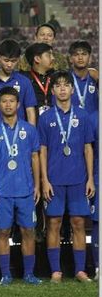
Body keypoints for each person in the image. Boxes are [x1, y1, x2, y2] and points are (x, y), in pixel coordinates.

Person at [38, 71, 95, 283]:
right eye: (58, 86)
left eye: (66, 85)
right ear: (52, 91)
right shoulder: (45, 117)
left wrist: (90, 178)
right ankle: (56, 271)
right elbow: (42, 151)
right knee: (54, 223)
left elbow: (88, 149)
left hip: (79, 178)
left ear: (72, 90)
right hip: (54, 180)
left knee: (79, 222)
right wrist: (44, 180)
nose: (62, 89)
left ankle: (80, 270)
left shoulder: (83, 116)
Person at [0, 86, 43, 285]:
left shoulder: (29, 129)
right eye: (4, 101)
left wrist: (37, 185)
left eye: (12, 101)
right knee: (3, 232)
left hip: (26, 190)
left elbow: (35, 157)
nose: (8, 104)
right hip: (2, 191)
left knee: (29, 231)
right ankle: (5, 275)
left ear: (18, 104)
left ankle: (28, 273)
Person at [0, 39, 37, 126]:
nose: (9, 65)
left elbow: (30, 111)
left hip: (19, 134)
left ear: (18, 60)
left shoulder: (24, 81)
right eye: (6, 60)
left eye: (13, 61)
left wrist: (31, 134)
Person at [24, 42, 55, 115]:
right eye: (48, 55)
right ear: (37, 59)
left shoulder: (56, 77)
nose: (53, 58)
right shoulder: (24, 80)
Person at [69, 41, 98, 112]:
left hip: (94, 122)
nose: (80, 58)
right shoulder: (65, 79)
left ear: (90, 58)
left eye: (84, 54)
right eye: (76, 54)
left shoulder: (95, 77)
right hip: (72, 121)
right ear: (70, 59)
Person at [89, 110, 99, 280]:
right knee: (99, 220)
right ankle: (98, 267)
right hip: (99, 174)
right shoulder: (93, 118)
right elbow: (88, 148)